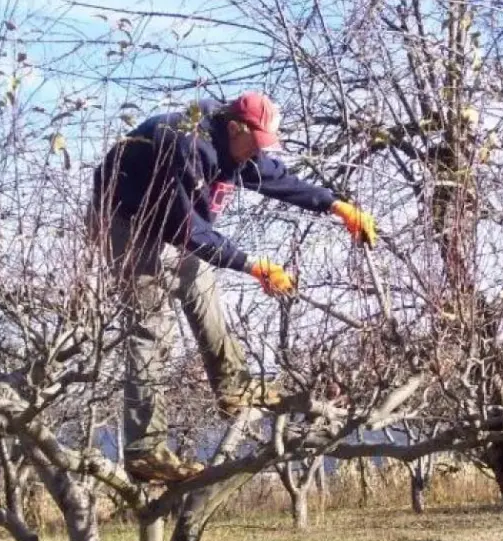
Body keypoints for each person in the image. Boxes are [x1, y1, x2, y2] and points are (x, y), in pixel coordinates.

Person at [90, 92, 376, 482]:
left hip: (169, 222)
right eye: (253, 145)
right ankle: (144, 452)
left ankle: (233, 389)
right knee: (151, 327)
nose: (254, 155)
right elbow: (186, 229)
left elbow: (277, 178)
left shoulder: (236, 147)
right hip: (124, 220)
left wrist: (335, 205)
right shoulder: (181, 142)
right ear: (235, 128)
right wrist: (252, 265)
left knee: (203, 291)